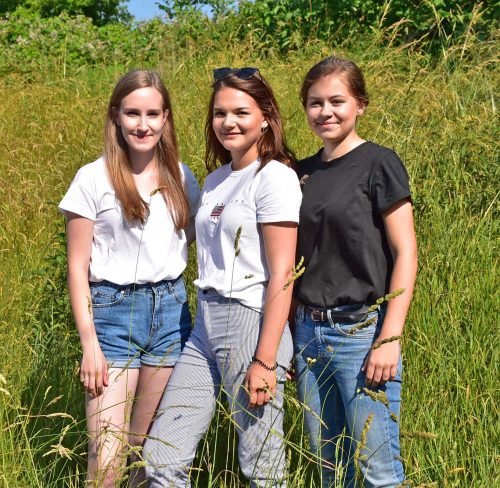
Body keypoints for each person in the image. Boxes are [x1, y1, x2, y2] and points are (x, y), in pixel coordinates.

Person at [143, 67, 302, 487]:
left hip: (250, 320)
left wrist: (266, 359)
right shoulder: (215, 180)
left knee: (260, 463)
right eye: (219, 113)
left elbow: (283, 274)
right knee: (161, 455)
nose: (228, 122)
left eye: (240, 112)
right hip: (205, 323)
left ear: (266, 116)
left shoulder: (275, 178)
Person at [58, 70, 200, 487]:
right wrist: (90, 344)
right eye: (133, 113)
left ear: (166, 118)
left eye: (153, 114)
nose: (143, 124)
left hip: (170, 315)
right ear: (116, 116)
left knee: (146, 455)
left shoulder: (181, 176)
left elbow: (189, 238)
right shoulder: (92, 178)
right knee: (106, 460)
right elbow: (76, 266)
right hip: (112, 316)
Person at [293, 56, 418, 488]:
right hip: (308, 334)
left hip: (361, 333)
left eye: (336, 101)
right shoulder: (302, 172)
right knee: (331, 469)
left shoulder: (379, 163)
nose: (325, 112)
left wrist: (389, 338)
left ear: (360, 104)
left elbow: (405, 252)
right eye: (314, 103)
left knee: (378, 469)